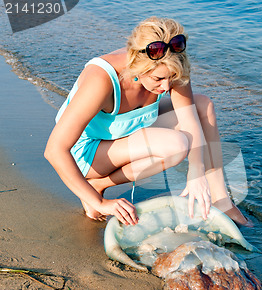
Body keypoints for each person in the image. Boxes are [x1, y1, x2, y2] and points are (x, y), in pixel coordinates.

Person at [44, 17, 251, 227]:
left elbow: (190, 121)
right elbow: (54, 150)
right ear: (137, 67)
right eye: (158, 79)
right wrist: (99, 202)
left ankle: (221, 201)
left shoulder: (169, 59)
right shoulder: (102, 80)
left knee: (202, 106)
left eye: (172, 78)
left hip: (124, 134)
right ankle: (98, 185)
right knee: (177, 146)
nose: (167, 87)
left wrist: (196, 173)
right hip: (88, 154)